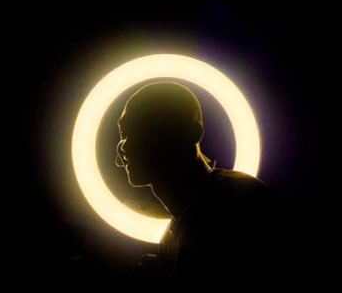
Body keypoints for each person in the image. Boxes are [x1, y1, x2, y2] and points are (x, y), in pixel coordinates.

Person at [116, 82, 289, 278]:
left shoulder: (235, 202)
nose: (124, 146)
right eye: (123, 133)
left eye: (143, 129)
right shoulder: (175, 232)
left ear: (191, 133)